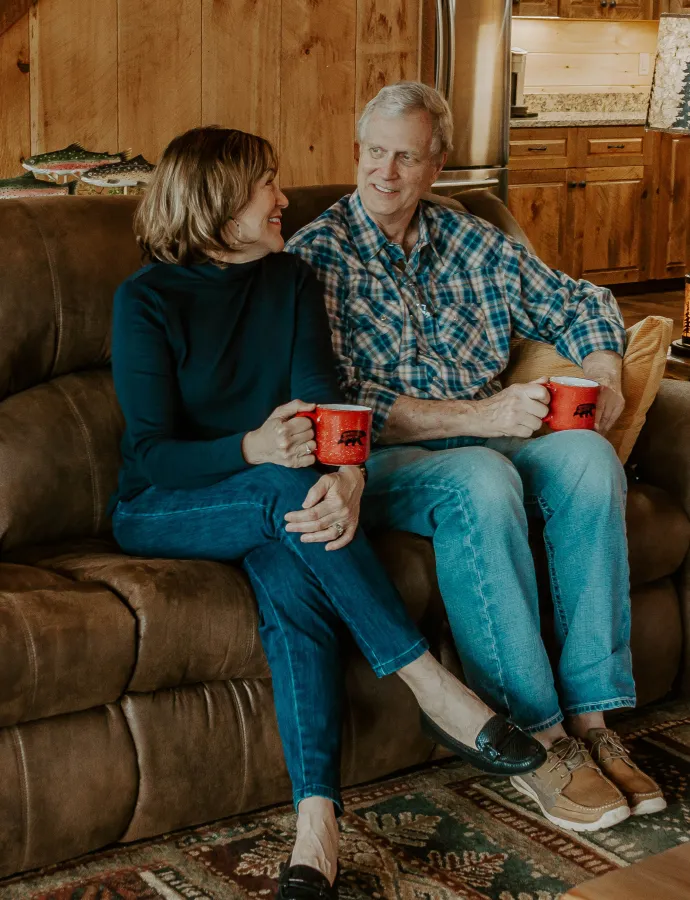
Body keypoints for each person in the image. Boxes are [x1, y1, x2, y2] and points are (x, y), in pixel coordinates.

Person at [108, 125, 544, 900]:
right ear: (216, 203)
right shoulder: (145, 300)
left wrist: (350, 477)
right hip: (165, 506)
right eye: (265, 186)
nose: (284, 198)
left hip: (282, 505)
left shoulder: (291, 281)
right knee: (286, 492)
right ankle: (432, 686)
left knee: (292, 575)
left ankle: (318, 829)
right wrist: (249, 447)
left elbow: (324, 400)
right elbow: (149, 455)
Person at [286, 82, 666, 834]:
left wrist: (603, 372)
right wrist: (477, 414)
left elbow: (580, 302)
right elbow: (338, 405)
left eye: (406, 157)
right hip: (389, 462)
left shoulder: (475, 239)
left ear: (437, 164)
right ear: (357, 153)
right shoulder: (312, 261)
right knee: (483, 478)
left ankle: (593, 722)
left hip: (493, 435)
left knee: (589, 457)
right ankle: (538, 741)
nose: (385, 173)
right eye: (374, 153)